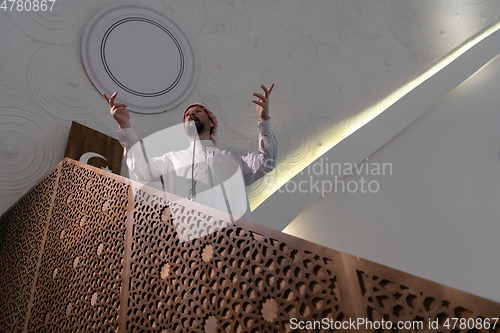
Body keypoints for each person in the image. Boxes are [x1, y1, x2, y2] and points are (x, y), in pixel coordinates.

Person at [104, 84, 277, 223]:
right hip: (190, 248)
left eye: (198, 111)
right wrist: (124, 125)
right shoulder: (171, 160)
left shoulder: (233, 156)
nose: (191, 114)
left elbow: (267, 162)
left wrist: (264, 121)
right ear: (185, 131)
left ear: (212, 123)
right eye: (188, 114)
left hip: (235, 243)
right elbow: (141, 169)